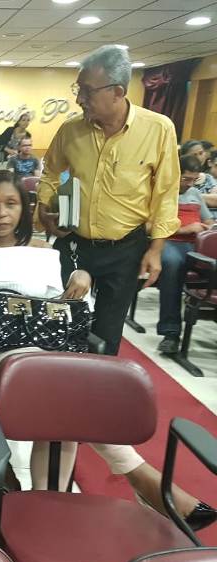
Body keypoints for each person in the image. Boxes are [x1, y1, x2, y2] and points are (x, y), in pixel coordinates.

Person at [0, 170, 215, 527]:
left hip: (42, 354)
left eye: (11, 204)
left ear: (24, 209)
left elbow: (68, 312)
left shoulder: (43, 252)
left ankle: (47, 508)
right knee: (60, 382)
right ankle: (136, 472)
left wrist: (81, 282)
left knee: (57, 390)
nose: (1, 213)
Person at [37, 45, 181, 356]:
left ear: (117, 92)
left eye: (87, 91)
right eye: (78, 89)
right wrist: (46, 207)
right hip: (75, 243)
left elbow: (166, 192)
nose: (79, 99)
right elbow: (50, 173)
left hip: (125, 249)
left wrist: (156, 249)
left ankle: (96, 382)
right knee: (61, 323)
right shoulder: (71, 129)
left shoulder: (158, 129)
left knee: (107, 334)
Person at [156, 155, 215, 354]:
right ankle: (170, 333)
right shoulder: (162, 193)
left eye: (194, 179)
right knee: (173, 264)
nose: (189, 184)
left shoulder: (195, 194)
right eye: (185, 179)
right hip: (170, 241)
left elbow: (208, 221)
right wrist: (185, 229)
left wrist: (208, 227)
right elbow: (151, 225)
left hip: (196, 244)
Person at [180, 139, 217, 209]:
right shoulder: (180, 177)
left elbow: (215, 200)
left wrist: (193, 196)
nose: (199, 157)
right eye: (194, 155)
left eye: (201, 153)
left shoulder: (208, 178)